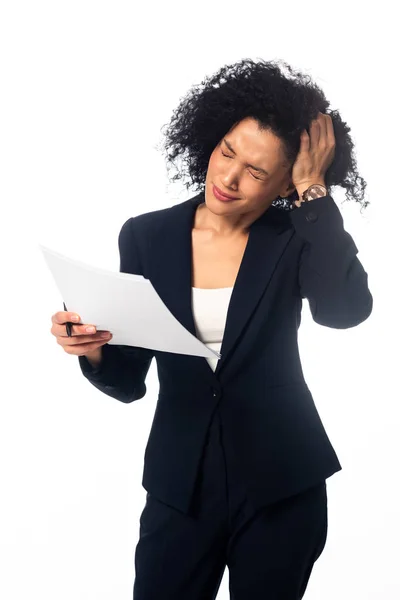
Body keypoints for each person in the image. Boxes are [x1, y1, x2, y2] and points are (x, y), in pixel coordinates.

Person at [50, 58, 373, 599]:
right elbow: (130, 380)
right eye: (227, 152)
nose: (227, 178)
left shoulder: (296, 236)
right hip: (181, 486)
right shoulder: (146, 236)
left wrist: (315, 194)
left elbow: (344, 310)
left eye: (255, 171)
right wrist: (93, 351)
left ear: (283, 185)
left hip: (281, 484)